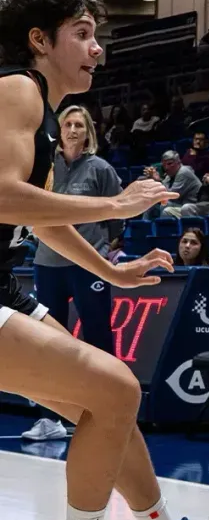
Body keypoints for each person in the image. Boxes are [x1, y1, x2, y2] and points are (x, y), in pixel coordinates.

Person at [0, 0, 209, 520]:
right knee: (114, 391)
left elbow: (47, 222)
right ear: (40, 40)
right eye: (83, 33)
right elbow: (3, 199)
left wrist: (110, 270)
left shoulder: (46, 114)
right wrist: (114, 206)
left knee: (107, 405)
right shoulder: (17, 91)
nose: (98, 50)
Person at [25, 104, 122, 442]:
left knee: (97, 337)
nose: (73, 130)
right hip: (47, 263)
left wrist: (106, 249)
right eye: (68, 123)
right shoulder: (46, 167)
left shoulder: (101, 169)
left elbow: (117, 214)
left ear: (88, 132)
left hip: (86, 264)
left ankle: (107, 412)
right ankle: (49, 419)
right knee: (50, 341)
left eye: (80, 124)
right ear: (59, 129)